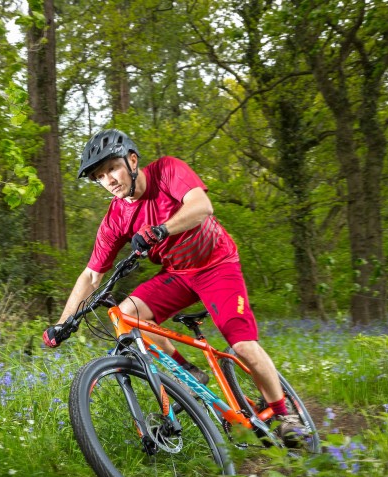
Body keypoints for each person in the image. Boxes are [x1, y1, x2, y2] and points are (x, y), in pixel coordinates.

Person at [42, 128, 304, 446]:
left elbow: (201, 206)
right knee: (125, 316)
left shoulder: (167, 171)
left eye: (111, 167)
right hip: (179, 274)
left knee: (243, 344)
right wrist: (63, 322)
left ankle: (285, 413)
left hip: (217, 264)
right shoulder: (115, 218)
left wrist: (161, 229)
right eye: (99, 176)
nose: (108, 179)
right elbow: (91, 275)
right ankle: (188, 372)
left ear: (132, 160)